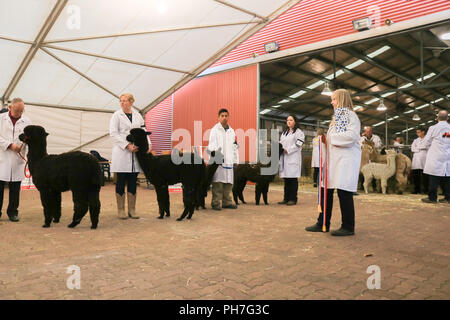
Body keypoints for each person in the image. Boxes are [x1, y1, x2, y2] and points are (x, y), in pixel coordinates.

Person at [305, 89, 361, 236]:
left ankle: (348, 227)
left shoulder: (347, 115)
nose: (331, 102)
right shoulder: (337, 117)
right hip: (333, 161)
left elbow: (351, 136)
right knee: (325, 190)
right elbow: (335, 137)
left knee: (344, 192)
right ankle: (322, 222)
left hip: (344, 160)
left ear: (341, 99)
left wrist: (330, 139)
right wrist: (324, 140)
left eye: (334, 99)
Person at [110, 93, 151, 219]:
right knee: (121, 181)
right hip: (122, 152)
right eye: (121, 101)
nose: (122, 103)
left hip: (136, 153)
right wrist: (127, 145)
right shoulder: (117, 115)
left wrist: (148, 144)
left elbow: (144, 132)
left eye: (125, 101)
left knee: (133, 181)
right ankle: (121, 210)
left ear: (132, 102)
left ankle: (132, 210)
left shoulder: (138, 116)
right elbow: (113, 133)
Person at [0, 98, 32, 222]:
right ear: (10, 108)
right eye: (17, 110)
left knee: (15, 188)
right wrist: (9, 145)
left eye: (21, 111)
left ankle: (13, 212)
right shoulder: (1, 118)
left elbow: (30, 139)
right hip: (2, 157)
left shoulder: (27, 121)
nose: (19, 113)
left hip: (18, 159)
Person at [207, 108, 239, 210]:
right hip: (219, 160)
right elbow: (212, 145)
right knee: (218, 182)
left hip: (229, 160)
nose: (224, 118)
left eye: (226, 116)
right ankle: (216, 203)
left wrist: (235, 160)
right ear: (218, 117)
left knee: (229, 182)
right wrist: (216, 159)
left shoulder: (231, 131)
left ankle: (227, 202)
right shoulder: (215, 130)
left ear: (228, 117)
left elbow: (235, 146)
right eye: (222, 116)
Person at [419, 110, 449, 204]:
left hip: (436, 155)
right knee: (448, 177)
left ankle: (432, 198)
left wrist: (424, 146)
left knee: (434, 177)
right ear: (447, 118)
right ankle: (448, 198)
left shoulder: (433, 128)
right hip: (448, 156)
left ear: (437, 118)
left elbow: (427, 141)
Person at [278, 115, 305, 205]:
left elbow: (298, 144)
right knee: (286, 180)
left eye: (291, 120)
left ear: (295, 122)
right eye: (287, 120)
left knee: (292, 180)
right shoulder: (284, 133)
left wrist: (287, 150)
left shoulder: (299, 132)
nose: (288, 122)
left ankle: (293, 199)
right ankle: (286, 198)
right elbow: (281, 143)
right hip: (285, 159)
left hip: (293, 158)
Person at [411, 127, 428, 194]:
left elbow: (426, 146)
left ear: (423, 132)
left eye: (418, 132)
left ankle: (426, 190)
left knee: (425, 176)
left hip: (425, 158)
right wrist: (419, 148)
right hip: (416, 159)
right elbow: (412, 148)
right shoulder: (415, 140)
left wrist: (417, 148)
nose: (417, 134)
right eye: (417, 132)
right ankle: (417, 190)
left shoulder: (427, 139)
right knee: (416, 176)